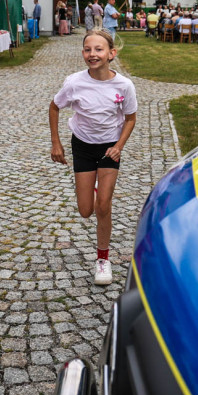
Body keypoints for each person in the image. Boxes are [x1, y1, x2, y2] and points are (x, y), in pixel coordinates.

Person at [50, 29, 137, 285]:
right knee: (86, 210)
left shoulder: (124, 85)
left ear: (111, 54)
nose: (92, 54)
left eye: (99, 49)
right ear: (83, 54)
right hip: (83, 146)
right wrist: (57, 143)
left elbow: (130, 118)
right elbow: (55, 107)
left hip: (110, 148)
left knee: (103, 207)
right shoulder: (75, 82)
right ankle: (97, 190)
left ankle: (102, 260)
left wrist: (119, 145)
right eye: (88, 49)